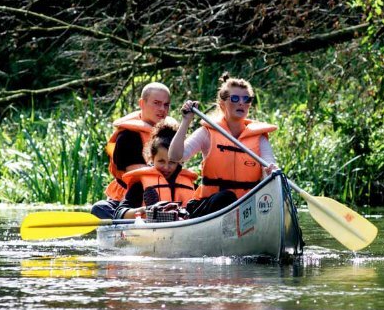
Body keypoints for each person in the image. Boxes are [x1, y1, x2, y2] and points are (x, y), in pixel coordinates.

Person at [168, 73, 279, 218]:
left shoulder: (259, 138)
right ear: (222, 103)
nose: (241, 103)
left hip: (247, 209)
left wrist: (270, 173)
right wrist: (186, 121)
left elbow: (270, 166)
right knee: (226, 197)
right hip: (212, 206)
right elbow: (175, 156)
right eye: (235, 98)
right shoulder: (207, 133)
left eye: (246, 99)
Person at [91, 82, 176, 219]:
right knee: (100, 208)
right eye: (156, 103)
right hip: (131, 198)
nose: (162, 109)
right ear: (142, 103)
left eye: (166, 105)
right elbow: (138, 176)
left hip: (169, 194)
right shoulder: (128, 136)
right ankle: (130, 215)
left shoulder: (171, 134)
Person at [114, 121, 197, 219]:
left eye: (172, 162)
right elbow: (119, 214)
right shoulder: (140, 185)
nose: (166, 167)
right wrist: (147, 210)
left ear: (180, 161)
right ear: (152, 158)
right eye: (161, 161)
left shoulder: (192, 186)